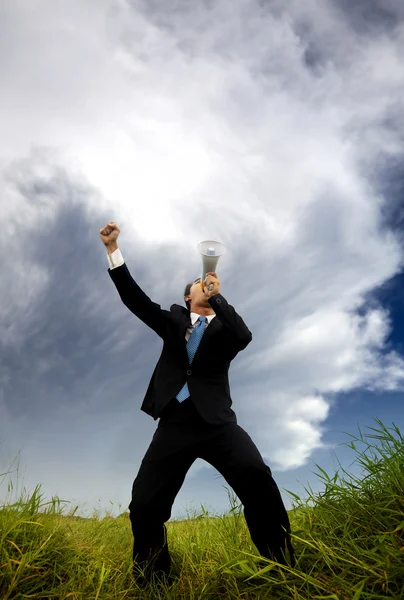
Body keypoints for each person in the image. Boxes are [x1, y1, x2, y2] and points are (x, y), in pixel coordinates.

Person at [99, 221, 295, 583]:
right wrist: (113, 249)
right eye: (198, 284)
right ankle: (155, 581)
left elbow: (244, 335)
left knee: (256, 477)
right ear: (188, 296)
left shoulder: (225, 331)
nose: (203, 286)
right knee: (145, 504)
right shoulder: (172, 321)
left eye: (209, 285)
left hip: (219, 425)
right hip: (174, 424)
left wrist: (218, 298)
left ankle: (284, 566)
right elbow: (133, 298)